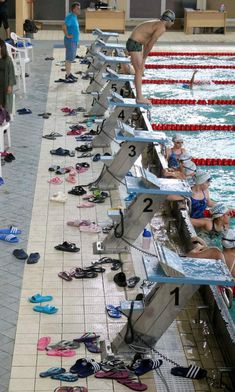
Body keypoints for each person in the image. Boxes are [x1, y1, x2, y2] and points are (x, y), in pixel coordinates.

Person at [126, 9, 175, 104]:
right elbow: (150, 44)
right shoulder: (161, 28)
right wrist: (144, 58)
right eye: (173, 22)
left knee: (140, 70)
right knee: (139, 71)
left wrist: (143, 59)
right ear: (169, 20)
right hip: (134, 44)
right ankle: (139, 98)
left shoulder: (157, 23)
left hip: (135, 43)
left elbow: (146, 41)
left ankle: (125, 68)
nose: (172, 24)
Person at [62, 2, 81, 82]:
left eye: (79, 8)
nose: (79, 10)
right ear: (73, 9)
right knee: (69, 58)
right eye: (77, 8)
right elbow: (64, 26)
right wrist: (67, 35)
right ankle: (68, 75)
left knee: (71, 58)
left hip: (74, 41)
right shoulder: (70, 17)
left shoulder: (74, 16)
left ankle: (69, 74)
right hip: (70, 41)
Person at [0, 38, 16, 114]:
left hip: (5, 83)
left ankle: (4, 114)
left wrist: (10, 85)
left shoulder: (7, 60)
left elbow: (11, 73)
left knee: (5, 100)